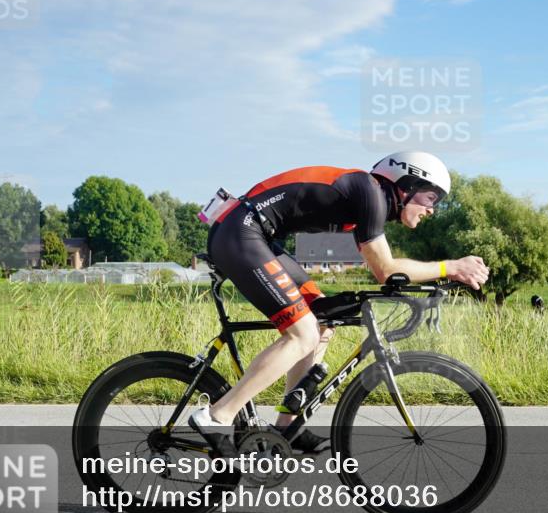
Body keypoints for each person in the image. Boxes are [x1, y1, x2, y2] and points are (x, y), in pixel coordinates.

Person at [189, 151, 489, 454]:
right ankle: (217, 416)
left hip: (257, 236)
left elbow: (386, 271)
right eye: (430, 198)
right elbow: (385, 271)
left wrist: (439, 277)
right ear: (406, 184)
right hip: (242, 231)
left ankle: (286, 429)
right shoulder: (370, 193)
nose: (432, 210)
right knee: (302, 334)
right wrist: (450, 267)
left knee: (322, 323)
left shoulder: (371, 199)